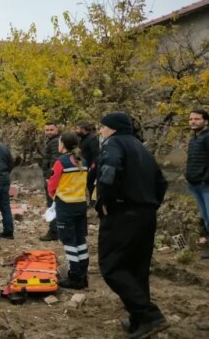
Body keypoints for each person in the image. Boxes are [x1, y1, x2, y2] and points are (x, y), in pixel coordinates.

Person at [96, 112, 168, 338]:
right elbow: (161, 182)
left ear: (112, 128)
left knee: (111, 265)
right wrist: (150, 205)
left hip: (123, 213)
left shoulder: (113, 144)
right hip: (145, 214)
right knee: (137, 268)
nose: (100, 131)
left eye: (103, 127)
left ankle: (149, 315)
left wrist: (105, 201)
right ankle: (139, 319)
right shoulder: (141, 147)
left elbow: (109, 171)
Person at [47, 132, 89, 289]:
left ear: (62, 144)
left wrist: (53, 197)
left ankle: (75, 276)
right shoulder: (82, 161)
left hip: (65, 205)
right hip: (80, 203)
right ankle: (83, 274)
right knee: (80, 239)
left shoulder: (61, 162)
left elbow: (52, 184)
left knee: (68, 241)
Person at [185, 109, 209, 245]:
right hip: (194, 184)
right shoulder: (194, 139)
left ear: (206, 121)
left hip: (205, 184)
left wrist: (205, 179)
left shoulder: (207, 137)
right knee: (205, 217)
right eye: (191, 119)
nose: (193, 121)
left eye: (197, 119)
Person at [40, 122, 61, 241]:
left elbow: (55, 160)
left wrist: (49, 177)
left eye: (51, 130)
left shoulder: (54, 142)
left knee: (52, 205)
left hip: (51, 178)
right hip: (50, 177)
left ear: (57, 129)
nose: (48, 132)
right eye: (46, 130)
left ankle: (54, 232)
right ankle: (56, 230)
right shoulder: (53, 141)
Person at [76, 120, 100, 206]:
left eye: (77, 129)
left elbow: (95, 154)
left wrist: (92, 167)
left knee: (90, 185)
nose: (76, 130)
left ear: (83, 129)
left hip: (90, 166)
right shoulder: (82, 138)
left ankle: (93, 202)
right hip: (83, 166)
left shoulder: (92, 138)